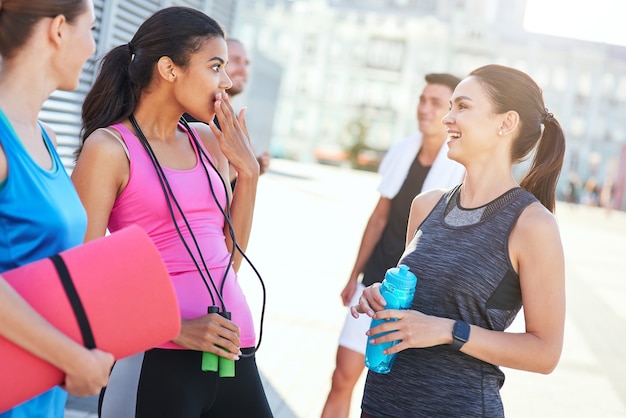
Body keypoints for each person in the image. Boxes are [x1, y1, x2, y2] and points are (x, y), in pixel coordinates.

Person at [71, 7, 272, 417]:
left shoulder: (207, 142)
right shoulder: (110, 149)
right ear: (169, 69)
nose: (227, 81)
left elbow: (228, 261)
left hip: (235, 351)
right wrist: (177, 329)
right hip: (155, 357)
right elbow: (78, 274)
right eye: (215, 66)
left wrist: (247, 175)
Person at [351, 64, 566, 417]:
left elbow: (545, 353)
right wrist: (380, 296)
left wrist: (450, 331)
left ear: (506, 123)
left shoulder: (532, 224)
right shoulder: (426, 205)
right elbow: (414, 301)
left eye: (462, 107)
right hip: (381, 403)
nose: (447, 118)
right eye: (450, 107)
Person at [321, 74, 465, 418]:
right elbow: (378, 219)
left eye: (436, 103)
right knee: (342, 376)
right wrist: (353, 275)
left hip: (417, 301)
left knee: (391, 397)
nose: (425, 108)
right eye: (422, 99)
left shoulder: (459, 168)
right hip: (373, 284)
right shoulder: (403, 149)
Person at [0, 0, 114, 417]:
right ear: (59, 29)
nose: (92, 48)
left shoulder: (43, 135)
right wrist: (74, 358)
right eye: (92, 29)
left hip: (39, 394)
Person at [185, 38, 270, 184]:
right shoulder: (193, 114)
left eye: (247, 63)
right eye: (236, 61)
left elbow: (226, 201)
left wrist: (252, 170)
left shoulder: (234, 121)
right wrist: (241, 167)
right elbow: (201, 191)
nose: (243, 69)